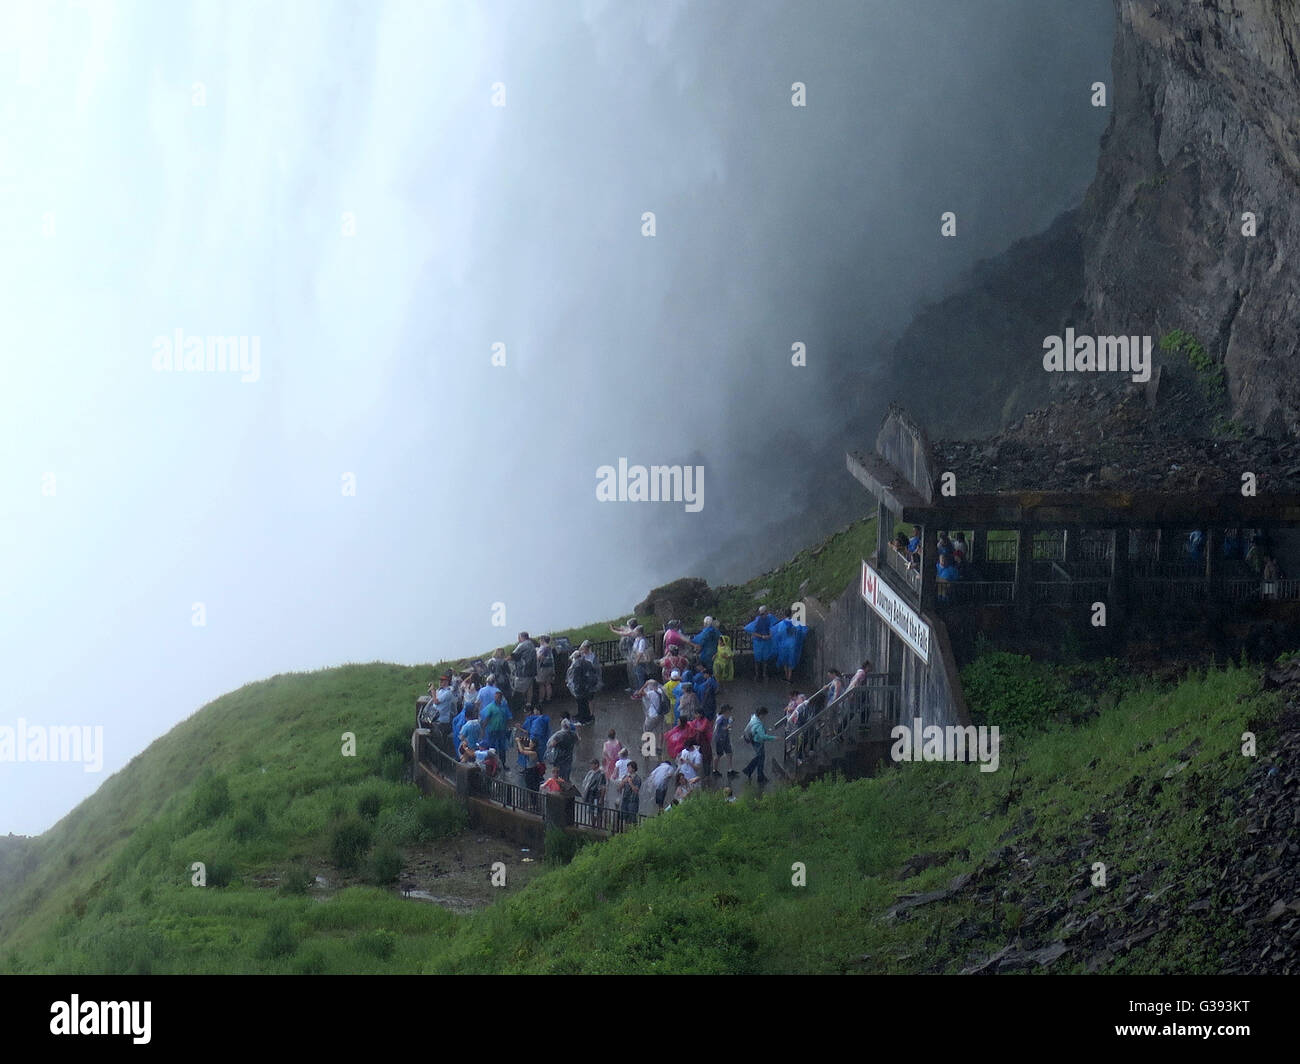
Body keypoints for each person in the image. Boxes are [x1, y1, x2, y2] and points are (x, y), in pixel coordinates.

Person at [565, 643, 601, 724]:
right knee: (584, 703)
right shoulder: (587, 662)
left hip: (580, 688)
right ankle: (586, 717)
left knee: (581, 704)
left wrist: (575, 687)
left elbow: (575, 678)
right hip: (587, 687)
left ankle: (583, 719)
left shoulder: (576, 665)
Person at [742, 707, 778, 784]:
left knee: (759, 758)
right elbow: (763, 736)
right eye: (764, 715)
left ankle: (752, 772)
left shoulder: (753, 718)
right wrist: (774, 738)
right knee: (760, 759)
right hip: (758, 742)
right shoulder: (758, 724)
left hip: (753, 740)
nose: (764, 717)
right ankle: (757, 775)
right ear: (761, 715)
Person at [772, 607, 808, 683]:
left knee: (785, 660)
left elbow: (777, 632)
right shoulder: (796, 622)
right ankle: (790, 677)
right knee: (791, 659)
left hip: (784, 644)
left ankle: (786, 676)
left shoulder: (781, 623)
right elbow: (803, 630)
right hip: (793, 643)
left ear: (784, 614)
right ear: (791, 614)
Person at [480, 689, 513, 762]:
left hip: (502, 730)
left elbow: (508, 717)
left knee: (502, 747)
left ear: (501, 698)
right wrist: (483, 729)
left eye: (498, 697)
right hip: (492, 730)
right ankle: (492, 763)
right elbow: (487, 718)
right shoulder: (491, 707)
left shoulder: (504, 706)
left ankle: (503, 763)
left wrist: (510, 727)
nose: (496, 699)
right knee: (492, 748)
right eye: (495, 697)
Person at [745, 605, 777, 682]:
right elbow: (751, 631)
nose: (762, 615)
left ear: (766, 612)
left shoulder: (770, 618)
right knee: (757, 659)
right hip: (758, 641)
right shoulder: (757, 620)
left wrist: (769, 636)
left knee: (765, 659)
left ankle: (764, 675)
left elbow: (774, 627)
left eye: (763, 613)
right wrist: (762, 636)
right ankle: (757, 675)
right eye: (761, 614)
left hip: (766, 641)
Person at [509, 632, 537, 712]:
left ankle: (520, 706)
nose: (518, 639)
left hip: (524, 670)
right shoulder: (531, 643)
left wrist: (504, 660)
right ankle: (529, 704)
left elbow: (513, 655)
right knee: (530, 688)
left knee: (520, 689)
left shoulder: (522, 644)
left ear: (522, 637)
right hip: (532, 669)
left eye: (519, 637)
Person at [713, 704, 736, 778]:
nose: (730, 711)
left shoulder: (726, 717)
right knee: (719, 754)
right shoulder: (720, 718)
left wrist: (730, 722)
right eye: (729, 710)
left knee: (729, 753)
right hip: (720, 738)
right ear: (725, 711)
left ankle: (730, 770)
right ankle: (715, 770)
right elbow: (717, 728)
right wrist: (727, 727)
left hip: (726, 738)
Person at [535, 635, 557, 703]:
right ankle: (548, 698)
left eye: (540, 640)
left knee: (541, 684)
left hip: (543, 668)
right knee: (548, 684)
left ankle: (541, 699)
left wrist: (536, 653)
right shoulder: (549, 647)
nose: (539, 641)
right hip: (550, 667)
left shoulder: (544, 647)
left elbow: (540, 657)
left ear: (543, 640)